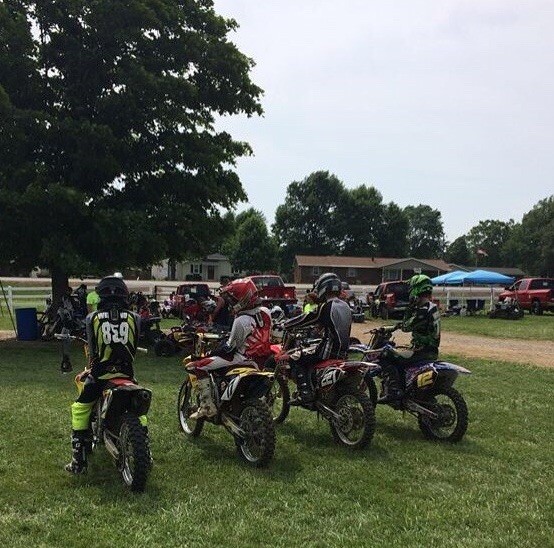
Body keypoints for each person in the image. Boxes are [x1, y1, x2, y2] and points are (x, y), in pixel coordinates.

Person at [65, 276, 141, 474]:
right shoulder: (135, 318)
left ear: (101, 295)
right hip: (126, 374)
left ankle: (78, 460)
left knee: (80, 408)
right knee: (137, 409)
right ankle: (145, 448)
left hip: (100, 375)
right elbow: (133, 346)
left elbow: (93, 350)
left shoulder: (93, 318)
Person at [190, 278, 271, 419]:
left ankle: (207, 406)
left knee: (198, 366)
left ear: (243, 299)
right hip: (261, 359)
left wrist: (210, 352)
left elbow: (229, 348)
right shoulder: (265, 312)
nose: (231, 303)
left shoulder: (241, 320)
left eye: (233, 299)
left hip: (242, 358)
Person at [283, 272, 353, 405]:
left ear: (323, 288)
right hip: (344, 351)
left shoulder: (326, 307)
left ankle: (305, 393)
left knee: (295, 357)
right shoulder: (345, 306)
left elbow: (306, 318)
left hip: (328, 351)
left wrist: (286, 324)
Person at [377, 274, 441, 404]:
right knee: (400, 354)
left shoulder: (422, 310)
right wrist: (394, 327)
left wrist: (410, 308)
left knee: (386, 353)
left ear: (416, 289)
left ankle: (393, 391)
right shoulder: (432, 307)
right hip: (431, 350)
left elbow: (406, 327)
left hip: (421, 351)